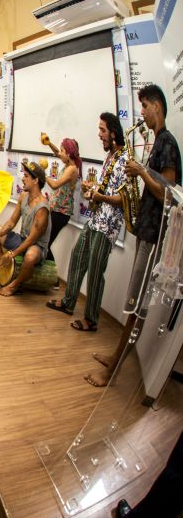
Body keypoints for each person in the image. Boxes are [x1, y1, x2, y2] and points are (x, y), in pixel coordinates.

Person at [83, 86, 181, 387]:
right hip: (146, 230)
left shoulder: (168, 143)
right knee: (133, 302)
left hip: (155, 236)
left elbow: (170, 194)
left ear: (157, 106)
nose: (142, 113)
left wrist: (140, 171)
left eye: (144, 107)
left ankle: (111, 374)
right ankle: (115, 358)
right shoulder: (159, 142)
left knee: (136, 305)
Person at [46, 112, 128, 335]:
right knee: (78, 256)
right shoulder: (110, 157)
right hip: (94, 219)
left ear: (113, 132)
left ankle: (91, 320)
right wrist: (92, 192)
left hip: (108, 226)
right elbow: (105, 190)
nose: (99, 134)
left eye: (102, 130)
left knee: (94, 272)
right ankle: (68, 302)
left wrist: (99, 197)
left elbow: (124, 199)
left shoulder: (125, 159)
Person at [0, 161, 51, 297]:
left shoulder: (42, 207)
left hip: (36, 246)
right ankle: (3, 271)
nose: (23, 178)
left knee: (30, 256)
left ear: (36, 180)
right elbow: (12, 222)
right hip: (22, 239)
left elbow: (33, 239)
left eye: (26, 176)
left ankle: (14, 285)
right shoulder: (23, 197)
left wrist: (12, 254)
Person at [42, 135, 82, 287]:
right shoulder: (68, 165)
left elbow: (55, 184)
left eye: (62, 150)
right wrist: (48, 143)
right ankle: (52, 278)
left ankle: (54, 280)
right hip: (56, 210)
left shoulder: (71, 170)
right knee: (45, 242)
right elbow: (57, 152)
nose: (59, 153)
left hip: (61, 213)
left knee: (45, 243)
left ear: (69, 153)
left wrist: (42, 174)